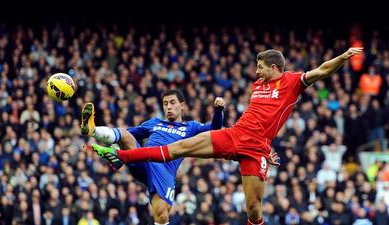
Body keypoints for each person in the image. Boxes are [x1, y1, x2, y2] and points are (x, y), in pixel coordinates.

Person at [92, 47, 363, 225]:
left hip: (256, 149)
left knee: (253, 210)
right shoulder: (258, 85)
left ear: (273, 66)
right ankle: (120, 156)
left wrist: (343, 56)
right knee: (179, 147)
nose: (256, 72)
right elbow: (258, 116)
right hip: (235, 134)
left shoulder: (292, 82)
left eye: (260, 67)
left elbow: (323, 70)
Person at [81, 89, 226, 225]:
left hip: (164, 170)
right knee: (124, 134)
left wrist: (219, 110)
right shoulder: (154, 123)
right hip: (143, 159)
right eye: (165, 103)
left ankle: (119, 157)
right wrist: (113, 140)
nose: (168, 107)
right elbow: (127, 134)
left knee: (162, 215)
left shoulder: (191, 127)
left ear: (182, 106)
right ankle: (92, 130)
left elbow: (215, 129)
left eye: (172, 103)